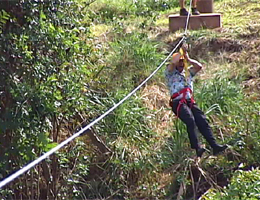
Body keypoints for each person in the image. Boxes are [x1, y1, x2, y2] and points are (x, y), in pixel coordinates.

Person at [165, 46, 227, 157]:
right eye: (179, 61)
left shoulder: (188, 73)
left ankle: (214, 146)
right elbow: (172, 63)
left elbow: (199, 66)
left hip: (189, 101)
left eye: (182, 61)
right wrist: (181, 51)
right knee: (190, 120)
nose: (181, 63)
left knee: (202, 120)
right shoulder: (170, 73)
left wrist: (188, 59)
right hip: (178, 102)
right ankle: (197, 147)